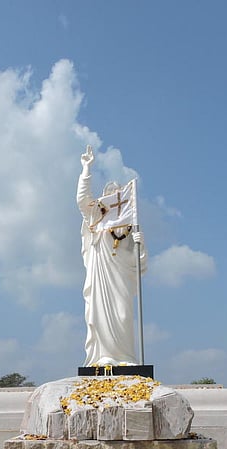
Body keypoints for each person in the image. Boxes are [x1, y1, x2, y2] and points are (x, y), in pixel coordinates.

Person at [77, 145, 147, 366]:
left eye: (117, 196)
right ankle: (104, 356)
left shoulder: (129, 226)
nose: (113, 199)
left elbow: (139, 260)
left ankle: (125, 357)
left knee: (124, 315)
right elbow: (82, 199)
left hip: (121, 274)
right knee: (100, 314)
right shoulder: (96, 216)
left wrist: (139, 244)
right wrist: (86, 169)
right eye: (109, 196)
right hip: (101, 273)